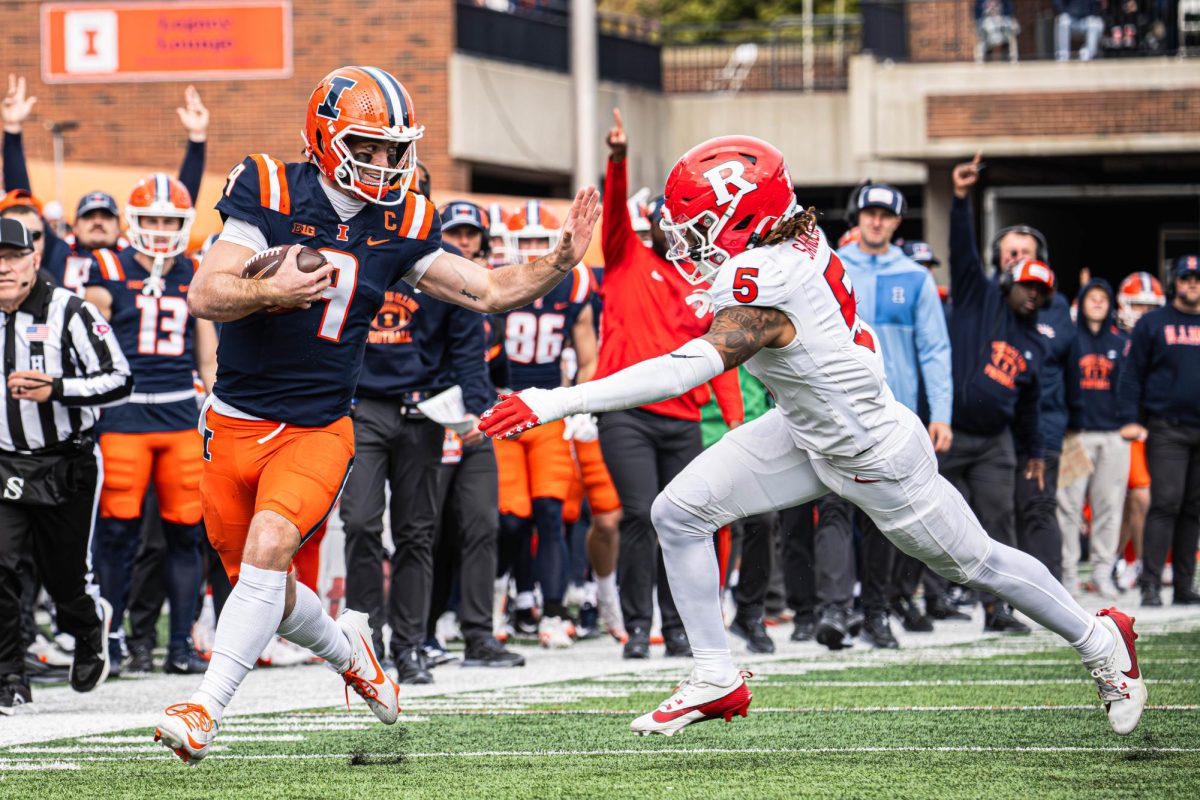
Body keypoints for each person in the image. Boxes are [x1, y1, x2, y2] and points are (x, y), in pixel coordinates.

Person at [480, 135, 1146, 740]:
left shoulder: (768, 275)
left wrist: (555, 398)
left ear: (744, 216)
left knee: (979, 566)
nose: (689, 240)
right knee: (677, 513)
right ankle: (715, 674)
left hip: (872, 455)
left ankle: (1099, 638)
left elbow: (690, 364)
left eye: (702, 224)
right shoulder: (791, 240)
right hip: (807, 431)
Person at [154, 65, 600, 764]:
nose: (388, 162)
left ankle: (203, 710)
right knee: (259, 584)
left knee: (273, 543)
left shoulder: (403, 219)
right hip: (233, 420)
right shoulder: (268, 188)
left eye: (397, 148)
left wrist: (557, 262)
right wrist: (269, 292)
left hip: (319, 425)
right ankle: (351, 650)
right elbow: (207, 295)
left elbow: (485, 291)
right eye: (373, 145)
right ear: (328, 137)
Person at [598, 108, 744, 660]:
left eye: (681, 225)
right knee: (639, 514)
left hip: (683, 416)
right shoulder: (624, 259)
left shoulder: (700, 282)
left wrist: (733, 418)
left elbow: (721, 352)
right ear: (651, 223)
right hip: (627, 412)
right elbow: (613, 214)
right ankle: (638, 627)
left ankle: (678, 627)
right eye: (664, 220)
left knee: (679, 521)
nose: (672, 230)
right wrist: (617, 160)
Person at [84, 174, 218, 677]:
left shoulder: (194, 270)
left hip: (181, 413)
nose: (161, 230)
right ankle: (111, 636)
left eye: (170, 220)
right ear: (132, 223)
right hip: (123, 412)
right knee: (117, 533)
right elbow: (89, 343)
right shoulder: (107, 268)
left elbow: (208, 356)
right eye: (153, 219)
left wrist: (215, 404)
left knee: (186, 534)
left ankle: (179, 642)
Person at [0, 217, 133, 712]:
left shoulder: (71, 311)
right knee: (2, 568)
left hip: (65, 462)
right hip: (3, 463)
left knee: (64, 581)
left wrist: (57, 389)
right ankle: (9, 674)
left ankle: (86, 627)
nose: (3, 268)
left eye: (12, 257)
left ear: (34, 259)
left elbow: (120, 380)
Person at [813, 182, 953, 651]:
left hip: (892, 414)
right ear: (858, 217)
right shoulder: (830, 266)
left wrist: (942, 413)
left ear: (896, 223)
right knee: (833, 507)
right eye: (869, 213)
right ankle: (835, 608)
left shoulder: (915, 277)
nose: (876, 221)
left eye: (885, 215)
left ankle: (876, 611)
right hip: (834, 408)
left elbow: (935, 350)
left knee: (882, 516)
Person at [940, 153, 1049, 635]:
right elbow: (962, 249)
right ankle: (914, 600)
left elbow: (1030, 404)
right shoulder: (977, 296)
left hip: (994, 443)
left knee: (998, 525)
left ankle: (997, 609)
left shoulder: (1035, 338)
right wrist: (961, 199)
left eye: (1040, 292)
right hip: (950, 431)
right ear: (1006, 280)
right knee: (927, 517)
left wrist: (1034, 452)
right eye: (1026, 286)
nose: (1032, 296)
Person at [494, 200, 598, 648]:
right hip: (500, 408)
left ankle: (553, 612)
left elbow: (588, 355)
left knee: (552, 511)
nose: (535, 249)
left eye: (542, 240)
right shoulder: (494, 281)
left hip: (549, 409)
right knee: (511, 518)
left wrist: (578, 403)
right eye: (528, 241)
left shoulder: (573, 284)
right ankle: (508, 603)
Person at [2, 76, 209, 294]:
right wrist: (12, 130)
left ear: (121, 224)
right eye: (89, 216)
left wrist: (197, 138)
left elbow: (177, 210)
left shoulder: (132, 259)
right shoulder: (59, 252)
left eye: (106, 216)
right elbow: (22, 205)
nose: (98, 221)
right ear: (75, 225)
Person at [1117, 255, 1200, 607]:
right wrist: (1130, 418)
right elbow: (1132, 373)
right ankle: (1150, 584)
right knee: (1165, 503)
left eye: (1197, 278)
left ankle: (1183, 585)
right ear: (1174, 282)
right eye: (1186, 278)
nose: (1192, 284)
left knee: (1193, 508)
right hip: (1167, 426)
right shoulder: (1153, 323)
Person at [1056, 278, 1129, 598]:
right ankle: (1068, 575)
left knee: (1109, 507)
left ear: (1111, 304)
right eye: (1092, 297)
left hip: (1113, 435)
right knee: (1068, 508)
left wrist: (1132, 422)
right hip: (1076, 434)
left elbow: (1132, 387)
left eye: (1104, 298)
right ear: (1081, 302)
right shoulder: (1070, 339)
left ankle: (1102, 572)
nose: (1098, 303)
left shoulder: (1122, 342)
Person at [1113, 271, 1165, 589]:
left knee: (1147, 499)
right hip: (1111, 429)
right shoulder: (1110, 336)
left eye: (1149, 307)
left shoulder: (1160, 337)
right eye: (1137, 306)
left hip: (1151, 430)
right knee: (1119, 502)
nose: (1143, 314)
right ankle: (1122, 561)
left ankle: (1140, 562)